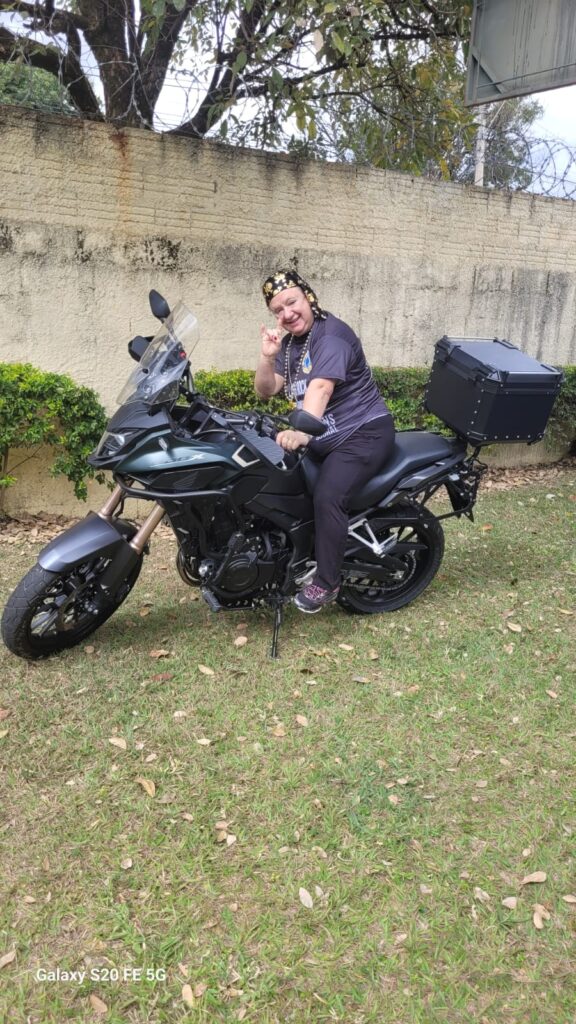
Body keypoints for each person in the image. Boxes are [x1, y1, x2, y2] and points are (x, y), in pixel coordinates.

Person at [255, 269, 395, 613]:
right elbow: (266, 390)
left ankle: (327, 582)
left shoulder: (331, 335)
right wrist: (267, 356)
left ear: (308, 296)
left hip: (361, 433)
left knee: (329, 494)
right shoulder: (291, 344)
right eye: (278, 310)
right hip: (323, 436)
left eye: (292, 302)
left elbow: (320, 388)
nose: (287, 313)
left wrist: (301, 432)